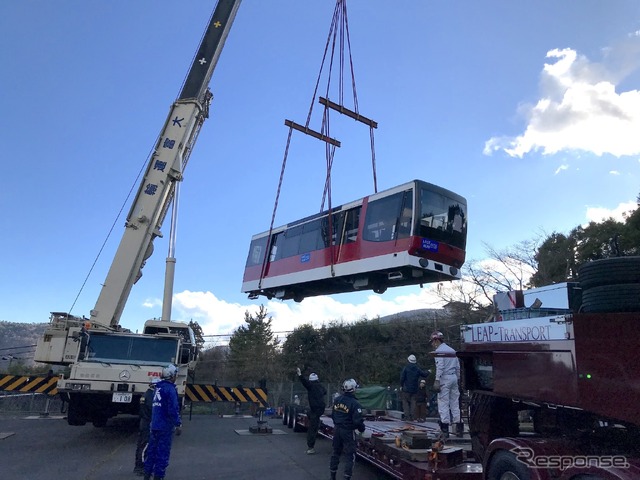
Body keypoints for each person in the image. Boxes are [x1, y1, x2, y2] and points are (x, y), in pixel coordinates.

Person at [144, 365, 182, 480]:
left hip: (154, 424)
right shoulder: (170, 389)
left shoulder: (157, 388)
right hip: (165, 425)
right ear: (172, 376)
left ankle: (147, 474)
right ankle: (159, 476)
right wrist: (178, 423)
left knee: (151, 451)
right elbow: (173, 409)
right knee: (162, 453)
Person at [330, 379, 366, 480]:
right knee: (350, 455)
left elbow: (333, 415)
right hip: (348, 431)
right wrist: (362, 429)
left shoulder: (337, 400)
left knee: (335, 452)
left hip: (337, 429)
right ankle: (346, 477)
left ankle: (332, 475)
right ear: (354, 389)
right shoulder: (355, 404)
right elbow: (357, 421)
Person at [430, 331, 462, 437]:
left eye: (432, 342)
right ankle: (458, 427)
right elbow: (458, 367)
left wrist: (437, 380)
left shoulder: (439, 352)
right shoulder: (452, 351)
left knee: (443, 402)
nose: (432, 344)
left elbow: (440, 367)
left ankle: (445, 430)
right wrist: (458, 379)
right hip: (453, 377)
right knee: (455, 402)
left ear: (436, 340)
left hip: (444, 378)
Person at [296, 367, 327, 454]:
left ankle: (311, 447)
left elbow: (304, 382)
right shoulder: (320, 386)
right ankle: (317, 421)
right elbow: (325, 392)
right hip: (321, 408)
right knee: (310, 414)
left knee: (312, 429)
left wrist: (300, 374)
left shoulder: (311, 386)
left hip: (315, 409)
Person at [134, 379, 157, 476]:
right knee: (145, 445)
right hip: (148, 422)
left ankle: (139, 466)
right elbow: (152, 410)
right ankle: (141, 467)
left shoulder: (145, 395)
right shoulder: (151, 396)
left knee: (141, 444)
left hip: (144, 421)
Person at [399, 354, 430, 421]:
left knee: (405, 402)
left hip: (406, 389)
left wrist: (401, 385)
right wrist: (428, 371)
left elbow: (402, 378)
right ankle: (412, 416)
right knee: (413, 403)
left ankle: (407, 416)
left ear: (408, 360)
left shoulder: (406, 368)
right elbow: (424, 374)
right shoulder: (417, 369)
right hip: (415, 389)